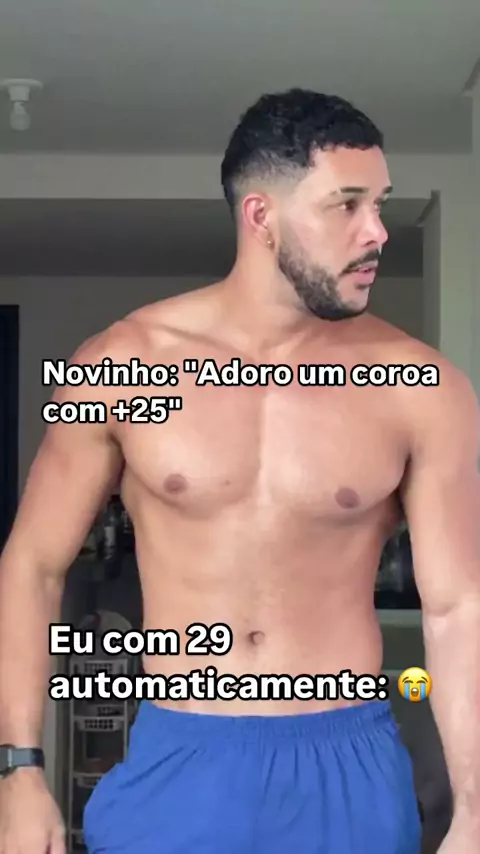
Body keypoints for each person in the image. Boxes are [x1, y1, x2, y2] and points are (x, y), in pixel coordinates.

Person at [0, 88, 479, 854]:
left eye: (380, 203)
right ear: (262, 217)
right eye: (347, 205)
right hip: (182, 756)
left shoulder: (421, 388)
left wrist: (475, 808)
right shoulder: (124, 364)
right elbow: (32, 565)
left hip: (346, 763)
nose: (377, 232)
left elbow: (458, 607)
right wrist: (19, 771)